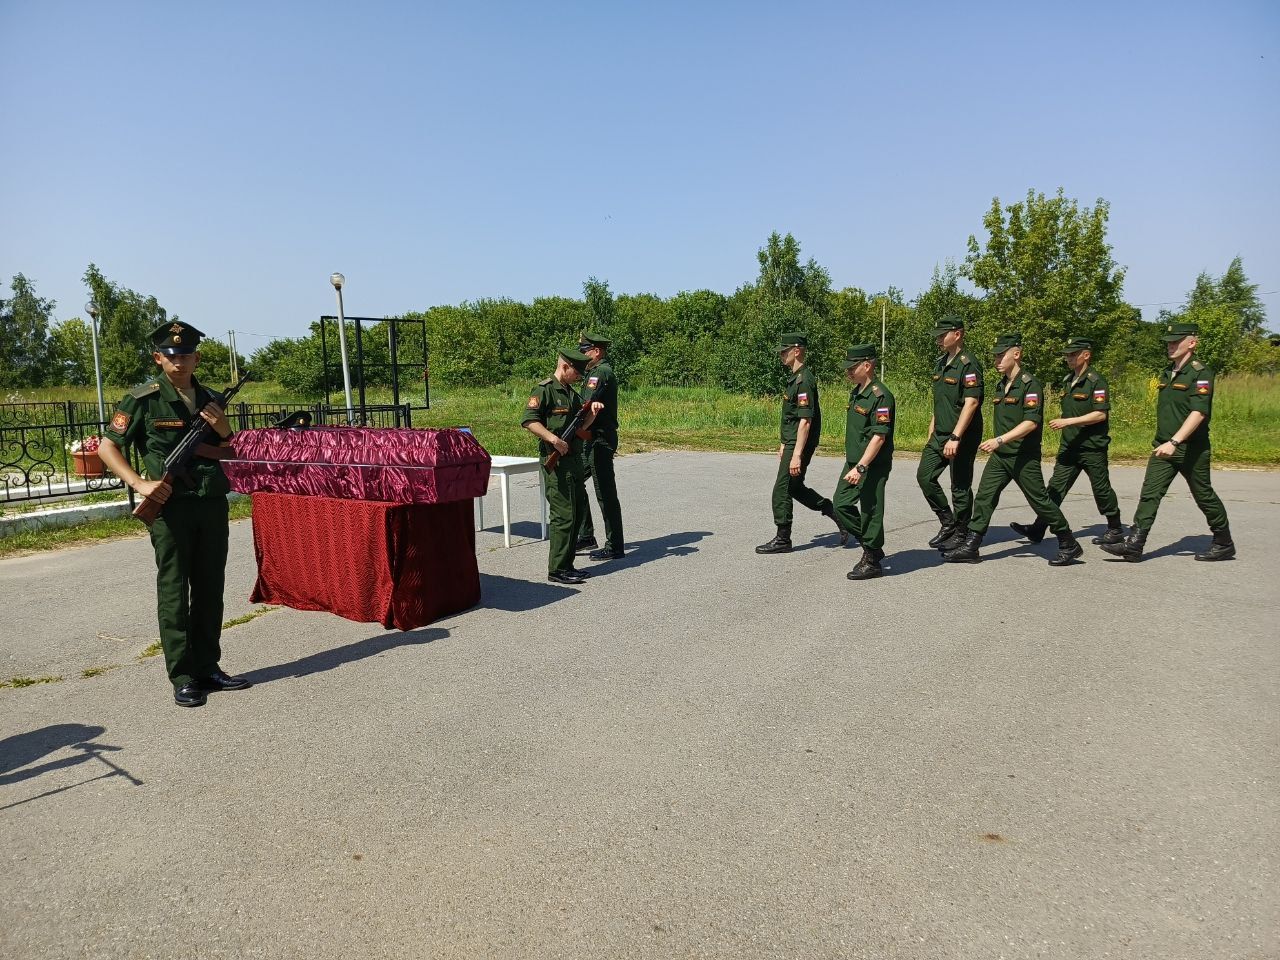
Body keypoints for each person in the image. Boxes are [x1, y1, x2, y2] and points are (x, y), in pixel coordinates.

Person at [96, 320, 247, 708]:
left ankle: (208, 666)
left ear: (197, 357)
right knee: (175, 590)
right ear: (158, 357)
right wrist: (140, 484)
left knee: (211, 587)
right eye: (172, 355)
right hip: (171, 507)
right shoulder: (143, 399)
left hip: (211, 503)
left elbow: (229, 453)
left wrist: (225, 428)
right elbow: (107, 448)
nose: (180, 362)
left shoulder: (212, 399)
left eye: (187, 355)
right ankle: (182, 675)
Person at [943, 333, 1083, 566]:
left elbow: (1031, 422)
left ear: (1016, 354)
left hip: (1022, 456)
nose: (997, 360)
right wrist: (1000, 444)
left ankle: (1069, 543)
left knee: (1039, 501)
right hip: (1001, 456)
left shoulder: (1030, 384)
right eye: (995, 356)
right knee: (984, 497)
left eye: (1001, 355)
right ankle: (972, 546)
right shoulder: (1001, 384)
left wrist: (999, 440)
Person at [1101, 321, 1235, 562]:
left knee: (1203, 494)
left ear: (1192, 343)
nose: (1170, 346)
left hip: (1190, 448)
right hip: (1163, 446)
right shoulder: (1167, 372)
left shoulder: (1200, 373)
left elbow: (1199, 412)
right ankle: (1135, 544)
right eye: (1169, 342)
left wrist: (1175, 441)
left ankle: (1223, 541)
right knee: (1150, 494)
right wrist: (1167, 442)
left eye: (1176, 342)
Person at [1009, 337, 1123, 546]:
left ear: (1086, 355)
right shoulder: (1067, 380)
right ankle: (1038, 528)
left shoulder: (1096, 381)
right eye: (1067, 355)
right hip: (1069, 446)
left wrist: (1069, 421)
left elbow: (1100, 415)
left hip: (1092, 447)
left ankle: (1115, 527)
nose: (1068, 358)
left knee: (1101, 489)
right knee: (1054, 489)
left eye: (1073, 354)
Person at [755, 332, 846, 554]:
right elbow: (792, 417)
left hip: (801, 443)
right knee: (794, 487)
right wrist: (784, 443)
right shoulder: (795, 378)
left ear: (797, 351)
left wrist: (796, 453)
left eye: (785, 351)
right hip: (793, 442)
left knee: (782, 488)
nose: (781, 355)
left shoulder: (804, 380)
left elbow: (805, 421)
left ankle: (783, 538)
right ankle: (833, 511)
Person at [522, 347, 604, 584]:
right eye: (576, 372)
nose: (579, 377)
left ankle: (568, 564)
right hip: (556, 463)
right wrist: (553, 439)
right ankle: (557, 569)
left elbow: (582, 428)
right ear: (565, 366)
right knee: (563, 516)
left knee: (576, 514)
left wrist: (593, 413)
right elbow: (529, 421)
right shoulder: (545, 389)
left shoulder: (572, 393)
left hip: (574, 460)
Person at [917, 314, 984, 548]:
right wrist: (932, 428)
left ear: (957, 334)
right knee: (925, 477)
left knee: (960, 485)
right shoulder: (940, 362)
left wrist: (956, 436)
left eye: (942, 335)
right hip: (940, 433)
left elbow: (972, 402)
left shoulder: (968, 364)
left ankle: (962, 531)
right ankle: (948, 522)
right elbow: (941, 401)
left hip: (961, 434)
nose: (938, 340)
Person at [832, 344, 895, 580]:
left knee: (871, 509)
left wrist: (862, 466)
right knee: (841, 504)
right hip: (854, 462)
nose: (848, 372)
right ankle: (873, 547)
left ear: (867, 366)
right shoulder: (858, 391)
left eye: (852, 367)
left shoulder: (881, 395)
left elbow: (879, 436)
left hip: (871, 465)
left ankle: (872, 559)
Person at [573, 331, 625, 561]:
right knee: (574, 480)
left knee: (605, 493)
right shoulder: (592, 371)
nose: (582, 356)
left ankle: (614, 545)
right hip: (589, 438)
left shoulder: (601, 372)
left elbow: (586, 405)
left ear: (597, 351)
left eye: (585, 351)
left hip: (600, 439)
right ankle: (586, 535)